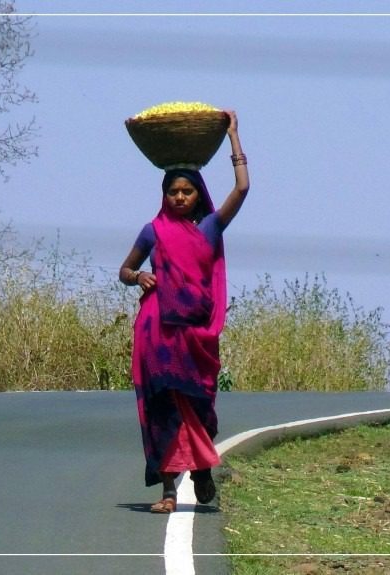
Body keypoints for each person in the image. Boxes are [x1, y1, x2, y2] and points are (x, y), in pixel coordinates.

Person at [119, 110, 250, 514]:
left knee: (198, 405)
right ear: (164, 194)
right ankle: (168, 492)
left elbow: (242, 189)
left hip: (195, 335)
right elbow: (124, 270)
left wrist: (233, 137)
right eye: (172, 191)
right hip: (157, 331)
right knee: (162, 407)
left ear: (197, 194)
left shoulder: (210, 227)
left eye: (186, 192)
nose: (179, 197)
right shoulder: (152, 231)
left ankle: (201, 468)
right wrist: (138, 277)